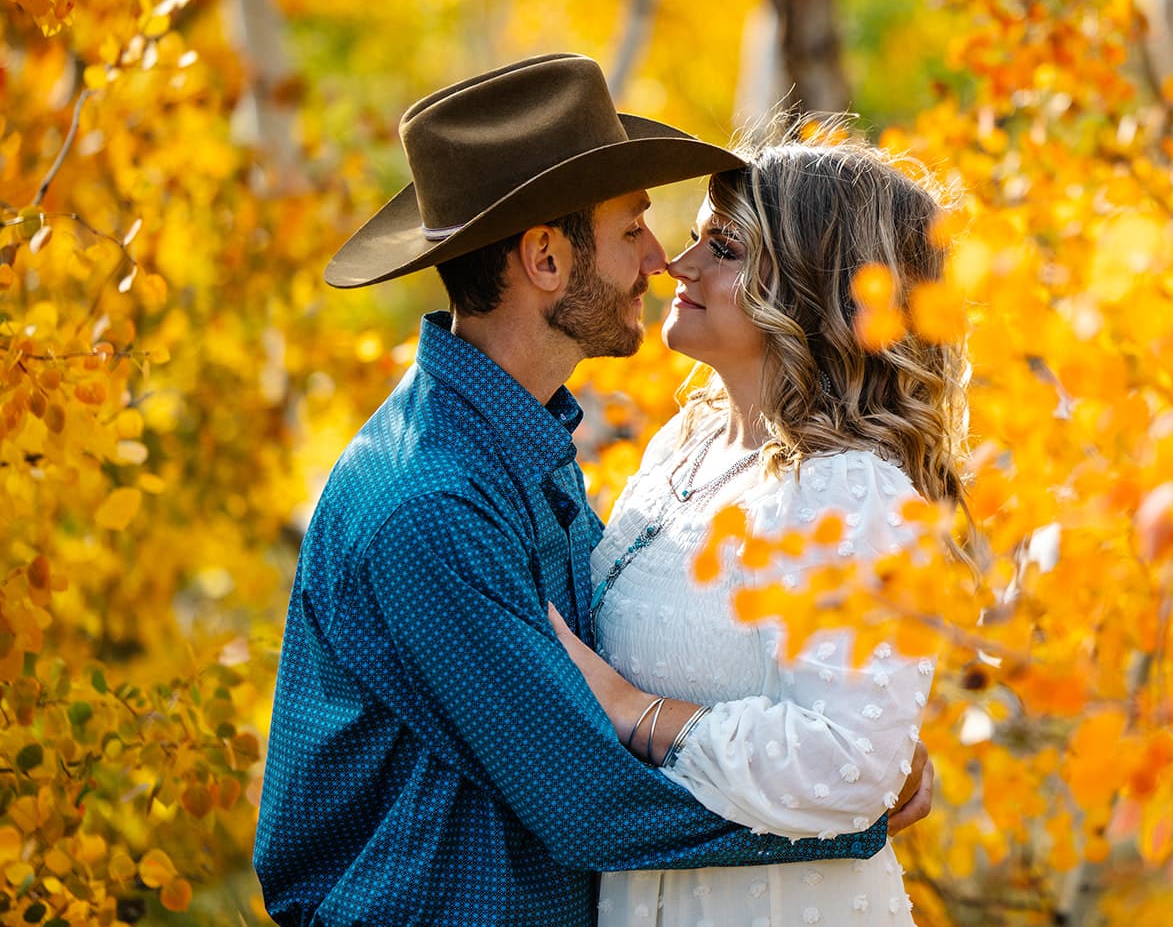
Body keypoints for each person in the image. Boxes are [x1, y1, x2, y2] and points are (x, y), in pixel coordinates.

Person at [253, 55, 931, 927]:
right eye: (632, 231)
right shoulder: (431, 504)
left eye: (704, 241)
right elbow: (589, 798)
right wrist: (854, 799)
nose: (661, 259)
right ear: (544, 257)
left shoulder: (529, 443)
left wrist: (858, 742)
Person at [549, 132, 966, 925]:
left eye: (725, 247)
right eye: (699, 235)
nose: (679, 262)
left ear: (814, 289)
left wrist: (631, 709)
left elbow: (850, 766)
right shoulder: (684, 445)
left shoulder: (856, 492)